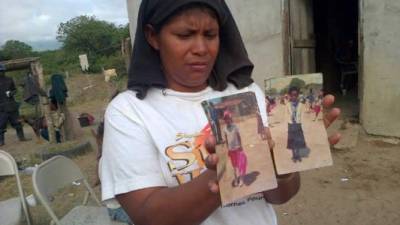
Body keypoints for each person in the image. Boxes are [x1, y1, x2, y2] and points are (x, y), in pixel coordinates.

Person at [100, 1, 341, 225]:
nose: (201, 48)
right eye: (185, 35)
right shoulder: (129, 111)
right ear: (153, 36)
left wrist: (282, 171)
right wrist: (230, 170)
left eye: (210, 35)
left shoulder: (247, 92)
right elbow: (147, 215)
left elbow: (279, 197)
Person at [0, 63, 29, 146]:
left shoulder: (9, 79)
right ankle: (1, 141)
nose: (1, 73)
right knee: (1, 125)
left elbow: (15, 90)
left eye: (2, 71)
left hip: (12, 105)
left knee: (17, 123)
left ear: (4, 71)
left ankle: (21, 138)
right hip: (1, 108)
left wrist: (11, 93)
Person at [223, 110, 247, 187]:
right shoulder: (224, 129)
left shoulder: (235, 126)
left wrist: (241, 146)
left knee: (241, 164)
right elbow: (226, 140)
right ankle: (236, 179)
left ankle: (241, 180)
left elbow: (239, 136)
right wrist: (228, 150)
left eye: (228, 118)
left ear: (230, 118)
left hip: (237, 148)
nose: (227, 120)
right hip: (231, 150)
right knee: (234, 166)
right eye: (225, 119)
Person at [286, 86, 309, 162]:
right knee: (292, 141)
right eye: (292, 95)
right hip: (291, 125)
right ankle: (294, 155)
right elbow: (286, 114)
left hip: (298, 125)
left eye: (295, 95)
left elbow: (303, 114)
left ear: (298, 95)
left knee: (298, 141)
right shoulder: (288, 104)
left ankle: (298, 155)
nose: (294, 97)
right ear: (290, 95)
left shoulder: (301, 104)